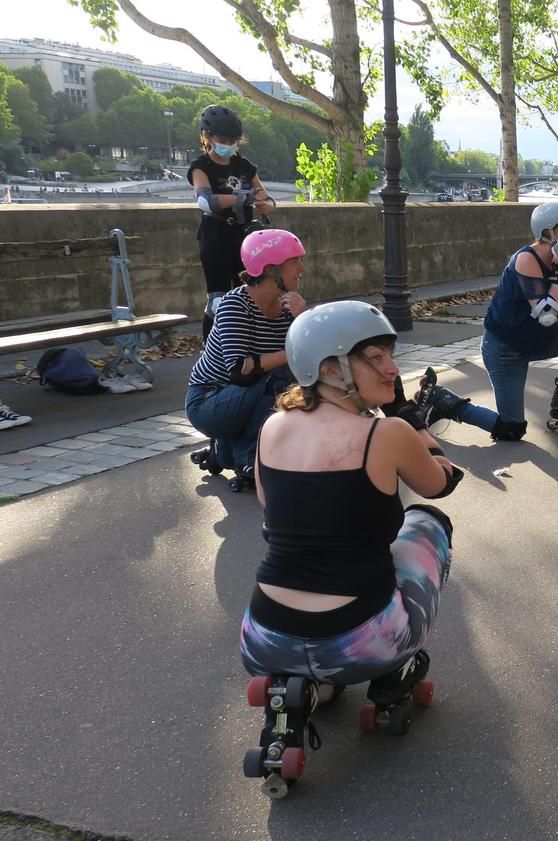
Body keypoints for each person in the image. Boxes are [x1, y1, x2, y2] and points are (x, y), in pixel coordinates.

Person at [240, 300, 456, 708]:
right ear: (329, 368)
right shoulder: (387, 432)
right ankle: (395, 669)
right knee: (428, 523)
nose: (392, 368)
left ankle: (308, 686)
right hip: (362, 645)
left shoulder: (272, 426)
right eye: (376, 357)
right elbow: (438, 485)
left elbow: (271, 510)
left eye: (391, 355)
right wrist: (412, 422)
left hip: (264, 640)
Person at [414, 201, 558, 441]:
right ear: (548, 231)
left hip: (539, 340)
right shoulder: (527, 259)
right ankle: (444, 401)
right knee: (511, 428)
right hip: (507, 351)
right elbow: (546, 316)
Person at [186, 229, 307, 486]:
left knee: (298, 380)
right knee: (281, 376)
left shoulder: (289, 307)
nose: (302, 268)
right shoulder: (235, 305)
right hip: (208, 401)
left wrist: (303, 319)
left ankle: (226, 449)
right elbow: (241, 369)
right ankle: (247, 458)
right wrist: (292, 353)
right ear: (270, 269)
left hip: (243, 398)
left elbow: (312, 356)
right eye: (294, 261)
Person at [188, 104, 276, 338]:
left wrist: (266, 204)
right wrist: (241, 197)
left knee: (248, 294)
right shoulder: (201, 166)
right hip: (215, 235)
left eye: (233, 140)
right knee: (218, 300)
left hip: (244, 236)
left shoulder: (244, 165)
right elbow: (205, 201)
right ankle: (212, 349)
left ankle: (246, 343)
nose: (228, 145)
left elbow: (264, 196)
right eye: (222, 139)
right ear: (207, 136)